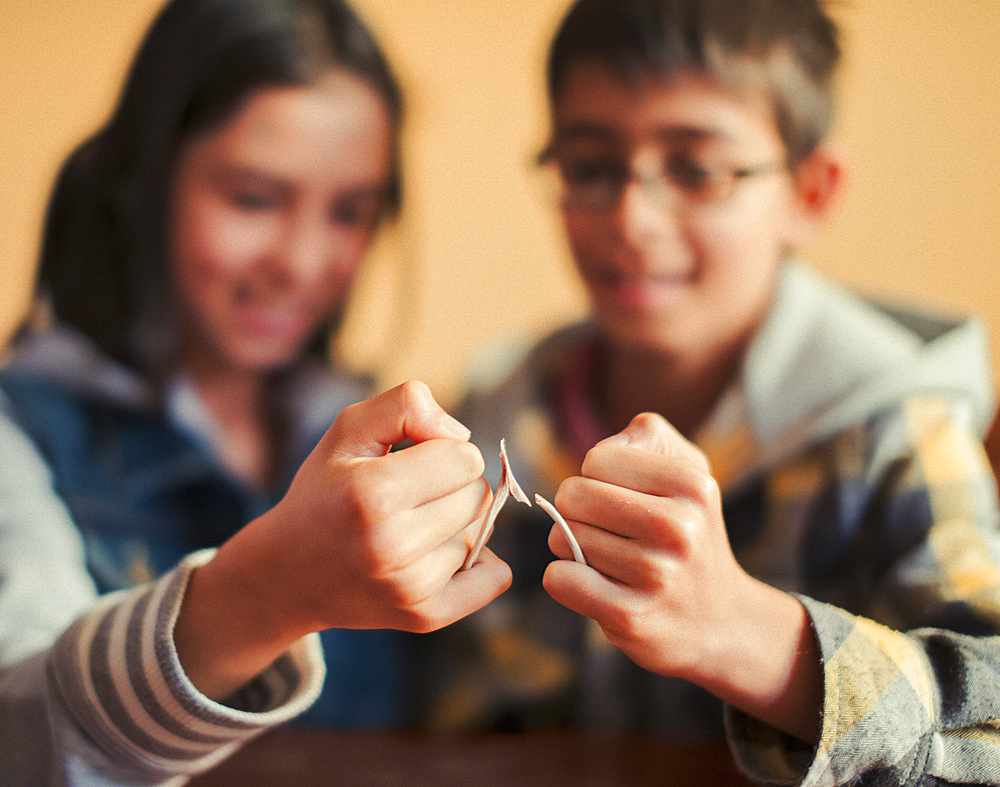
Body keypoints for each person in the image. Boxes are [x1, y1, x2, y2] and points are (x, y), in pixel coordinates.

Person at [442, 0, 1000, 784]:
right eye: (591, 168)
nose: (631, 220)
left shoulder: (894, 429)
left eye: (698, 170)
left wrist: (745, 631)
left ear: (810, 192)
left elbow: (991, 729)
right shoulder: (496, 420)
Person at [0, 0, 510, 782]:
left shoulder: (415, 439)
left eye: (349, 212)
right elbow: (20, 733)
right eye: (253, 198)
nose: (301, 264)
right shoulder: (20, 437)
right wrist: (264, 593)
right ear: (141, 180)